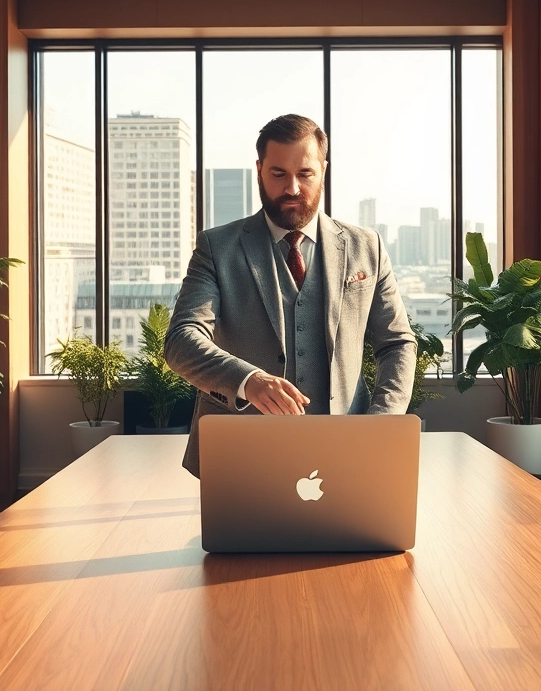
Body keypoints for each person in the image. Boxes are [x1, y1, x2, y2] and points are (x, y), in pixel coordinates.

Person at [165, 114, 416, 477]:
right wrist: (247, 381)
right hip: (241, 452)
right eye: (279, 174)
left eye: (305, 174)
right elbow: (181, 340)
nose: (293, 188)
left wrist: (381, 423)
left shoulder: (367, 247)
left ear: (323, 171)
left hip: (346, 452)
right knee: (237, 538)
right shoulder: (216, 247)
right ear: (259, 171)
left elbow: (397, 343)